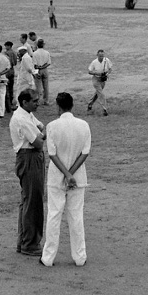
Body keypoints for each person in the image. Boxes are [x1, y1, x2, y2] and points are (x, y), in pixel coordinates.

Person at [40, 92, 91, 267]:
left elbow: (52, 155)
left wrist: (66, 174)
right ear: (72, 106)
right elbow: (85, 152)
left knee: (54, 215)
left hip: (57, 177)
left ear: (58, 106)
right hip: (78, 177)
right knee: (76, 216)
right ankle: (80, 257)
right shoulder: (83, 125)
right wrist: (71, 174)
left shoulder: (52, 126)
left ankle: (48, 258)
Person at [9, 89, 45, 256]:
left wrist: (41, 133)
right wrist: (42, 135)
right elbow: (38, 142)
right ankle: (29, 243)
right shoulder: (22, 118)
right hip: (29, 157)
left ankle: (24, 241)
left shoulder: (26, 114)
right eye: (34, 100)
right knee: (33, 201)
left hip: (29, 157)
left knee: (28, 200)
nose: (37, 103)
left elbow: (40, 127)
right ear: (24, 102)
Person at [87, 49, 112, 115]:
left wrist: (107, 74)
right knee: (101, 94)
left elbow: (110, 69)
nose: (101, 57)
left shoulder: (107, 60)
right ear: (97, 55)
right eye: (100, 56)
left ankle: (90, 104)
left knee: (97, 93)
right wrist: (97, 73)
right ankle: (105, 109)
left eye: (102, 56)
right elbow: (89, 71)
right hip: (96, 79)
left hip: (103, 80)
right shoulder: (94, 62)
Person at [32, 39, 51, 105]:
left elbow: (34, 64)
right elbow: (48, 63)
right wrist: (43, 67)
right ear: (43, 44)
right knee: (46, 86)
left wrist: (38, 68)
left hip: (37, 70)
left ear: (37, 45)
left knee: (38, 86)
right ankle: (46, 100)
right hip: (45, 69)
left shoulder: (34, 53)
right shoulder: (47, 52)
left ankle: (39, 100)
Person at [3, 41, 18, 112]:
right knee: (11, 87)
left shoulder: (6, 53)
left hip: (7, 71)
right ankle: (11, 102)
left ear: (8, 46)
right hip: (12, 70)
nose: (5, 47)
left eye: (6, 46)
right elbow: (15, 63)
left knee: (6, 88)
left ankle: (7, 104)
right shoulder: (14, 53)